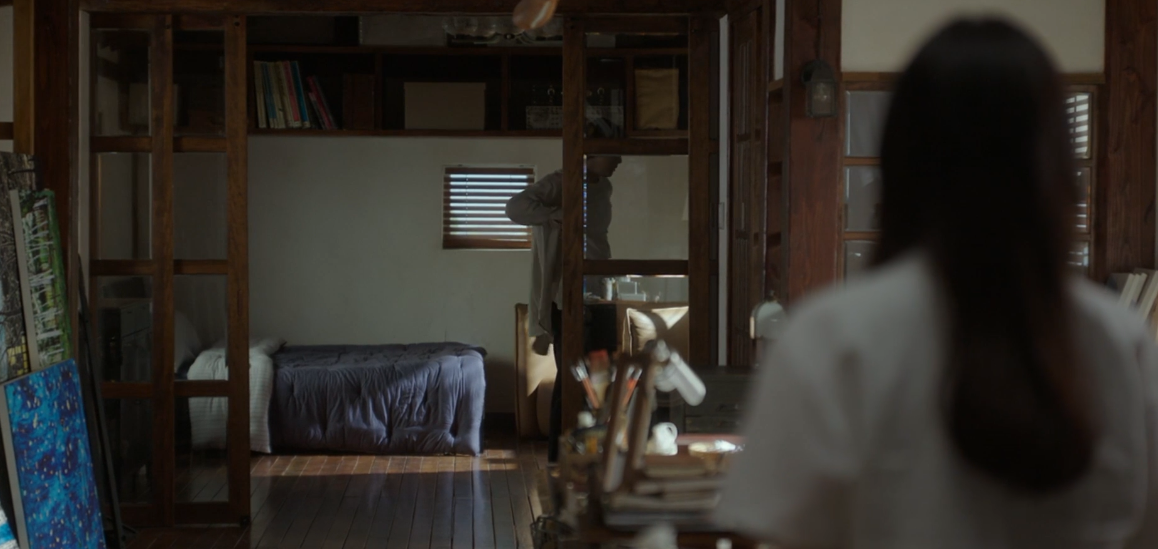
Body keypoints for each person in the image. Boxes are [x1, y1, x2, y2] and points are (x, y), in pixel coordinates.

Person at [716, 18, 1158, 549]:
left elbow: (768, 531)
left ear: (900, 161)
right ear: (1058, 169)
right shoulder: (1117, 338)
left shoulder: (835, 336)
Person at [506, 155, 622, 462]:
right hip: (569, 296)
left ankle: (595, 456)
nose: (619, 159)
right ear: (593, 153)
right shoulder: (562, 182)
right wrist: (557, 215)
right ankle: (559, 460)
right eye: (612, 153)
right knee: (572, 377)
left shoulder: (604, 186)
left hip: (600, 292)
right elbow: (515, 207)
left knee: (601, 376)